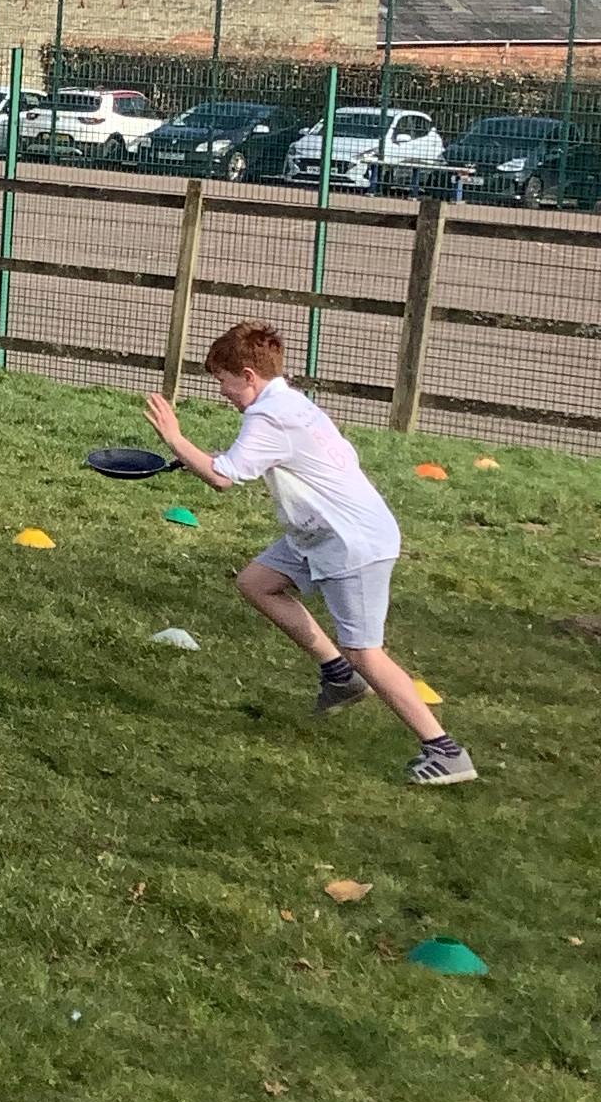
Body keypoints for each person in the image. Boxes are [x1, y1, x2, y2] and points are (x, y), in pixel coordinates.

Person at [145, 321, 473, 785]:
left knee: (366, 652)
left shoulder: (269, 416)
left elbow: (222, 478)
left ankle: (445, 750)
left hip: (351, 542)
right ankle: (338, 676)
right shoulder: (289, 403)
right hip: (318, 533)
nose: (222, 391)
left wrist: (176, 439)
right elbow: (251, 459)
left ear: (248, 376)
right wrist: (201, 456)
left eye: (223, 380)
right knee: (257, 583)